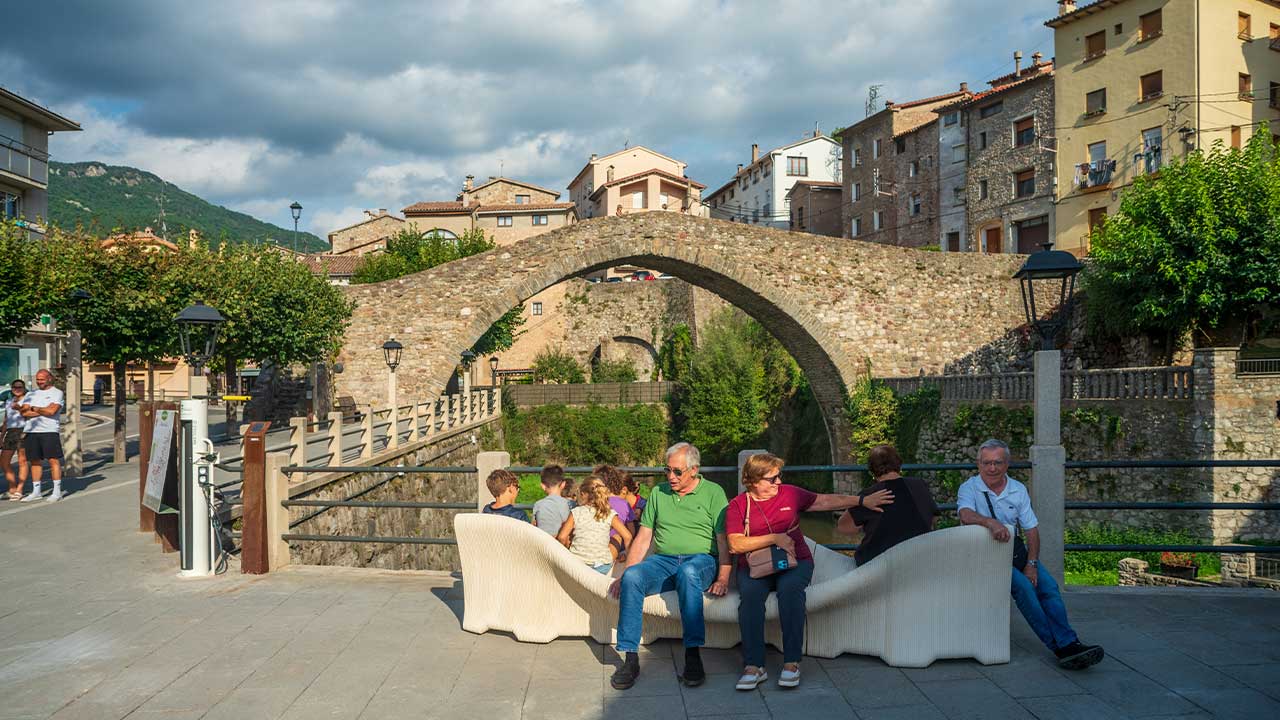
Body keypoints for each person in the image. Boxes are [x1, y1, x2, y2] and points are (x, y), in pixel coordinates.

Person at [727, 452, 894, 690]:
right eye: (772, 479)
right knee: (751, 599)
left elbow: (825, 501)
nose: (778, 483)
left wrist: (860, 501)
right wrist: (774, 538)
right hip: (755, 567)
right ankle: (754, 666)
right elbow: (735, 544)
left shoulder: (790, 493)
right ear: (753, 481)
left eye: (779, 476)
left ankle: (792, 663)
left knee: (790, 592)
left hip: (796, 561)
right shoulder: (738, 505)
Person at [958, 439, 1104, 670]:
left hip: (1015, 552)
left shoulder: (1017, 489)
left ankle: (1069, 642)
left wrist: (1032, 564)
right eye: (986, 463)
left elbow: (1032, 530)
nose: (992, 468)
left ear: (1007, 464)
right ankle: (1060, 647)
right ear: (978, 463)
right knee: (1024, 589)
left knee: (1048, 588)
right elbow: (965, 514)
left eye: (997, 462)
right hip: (985, 556)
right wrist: (990, 522)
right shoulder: (970, 487)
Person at [608, 442, 730, 690]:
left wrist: (724, 577)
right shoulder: (658, 493)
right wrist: (625, 573)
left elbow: (722, 539)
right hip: (663, 561)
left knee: (689, 572)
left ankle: (693, 655)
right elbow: (643, 537)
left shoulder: (714, 492)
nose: (670, 476)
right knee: (632, 578)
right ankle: (630, 658)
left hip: (701, 560)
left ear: (694, 470)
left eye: (677, 471)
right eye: (667, 470)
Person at [836, 444, 938, 566]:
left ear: (872, 470)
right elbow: (934, 518)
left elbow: (844, 527)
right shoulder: (920, 485)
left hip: (878, 566)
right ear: (898, 464)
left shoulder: (871, 496)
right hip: (918, 560)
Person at [556, 475, 633, 574]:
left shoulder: (576, 512)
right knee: (617, 536)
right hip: (601, 566)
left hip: (576, 564)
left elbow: (562, 537)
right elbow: (628, 536)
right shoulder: (609, 513)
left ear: (583, 494)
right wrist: (627, 555)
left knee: (570, 536)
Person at [17, 370, 64, 502]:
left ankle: (57, 492)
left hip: (49, 431)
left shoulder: (57, 393)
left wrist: (35, 409)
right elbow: (24, 412)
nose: (39, 382)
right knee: (34, 461)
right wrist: (42, 409)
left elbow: (52, 411)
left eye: (42, 379)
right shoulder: (31, 394)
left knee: (53, 460)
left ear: (49, 378)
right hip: (31, 431)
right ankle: (36, 491)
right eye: (38, 379)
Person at [594, 464, 635, 560]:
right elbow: (631, 531)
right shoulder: (624, 504)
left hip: (596, 544)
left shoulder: (594, 503)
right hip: (618, 547)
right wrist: (627, 552)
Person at [2, 379, 29, 500]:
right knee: (4, 461)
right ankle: (12, 487)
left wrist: (19, 408)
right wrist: (1, 436)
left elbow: (29, 416)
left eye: (20, 387)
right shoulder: (9, 401)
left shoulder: (27, 400)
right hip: (11, 432)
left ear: (24, 388)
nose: (17, 389)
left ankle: (19, 489)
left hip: (23, 430)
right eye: (15, 387)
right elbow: (6, 421)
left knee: (22, 461)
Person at [532, 465, 572, 535]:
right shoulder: (571, 505)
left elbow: (533, 526)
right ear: (563, 484)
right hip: (562, 544)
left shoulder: (538, 505)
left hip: (542, 543)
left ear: (543, 486)